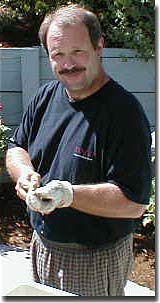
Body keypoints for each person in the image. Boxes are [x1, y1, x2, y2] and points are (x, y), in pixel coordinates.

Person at [6, 4, 152, 296]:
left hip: (93, 258)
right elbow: (16, 147)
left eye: (77, 52)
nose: (68, 64)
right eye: (58, 55)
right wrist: (24, 173)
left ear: (99, 47)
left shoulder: (123, 113)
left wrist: (67, 195)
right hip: (43, 244)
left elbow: (134, 203)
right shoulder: (46, 96)